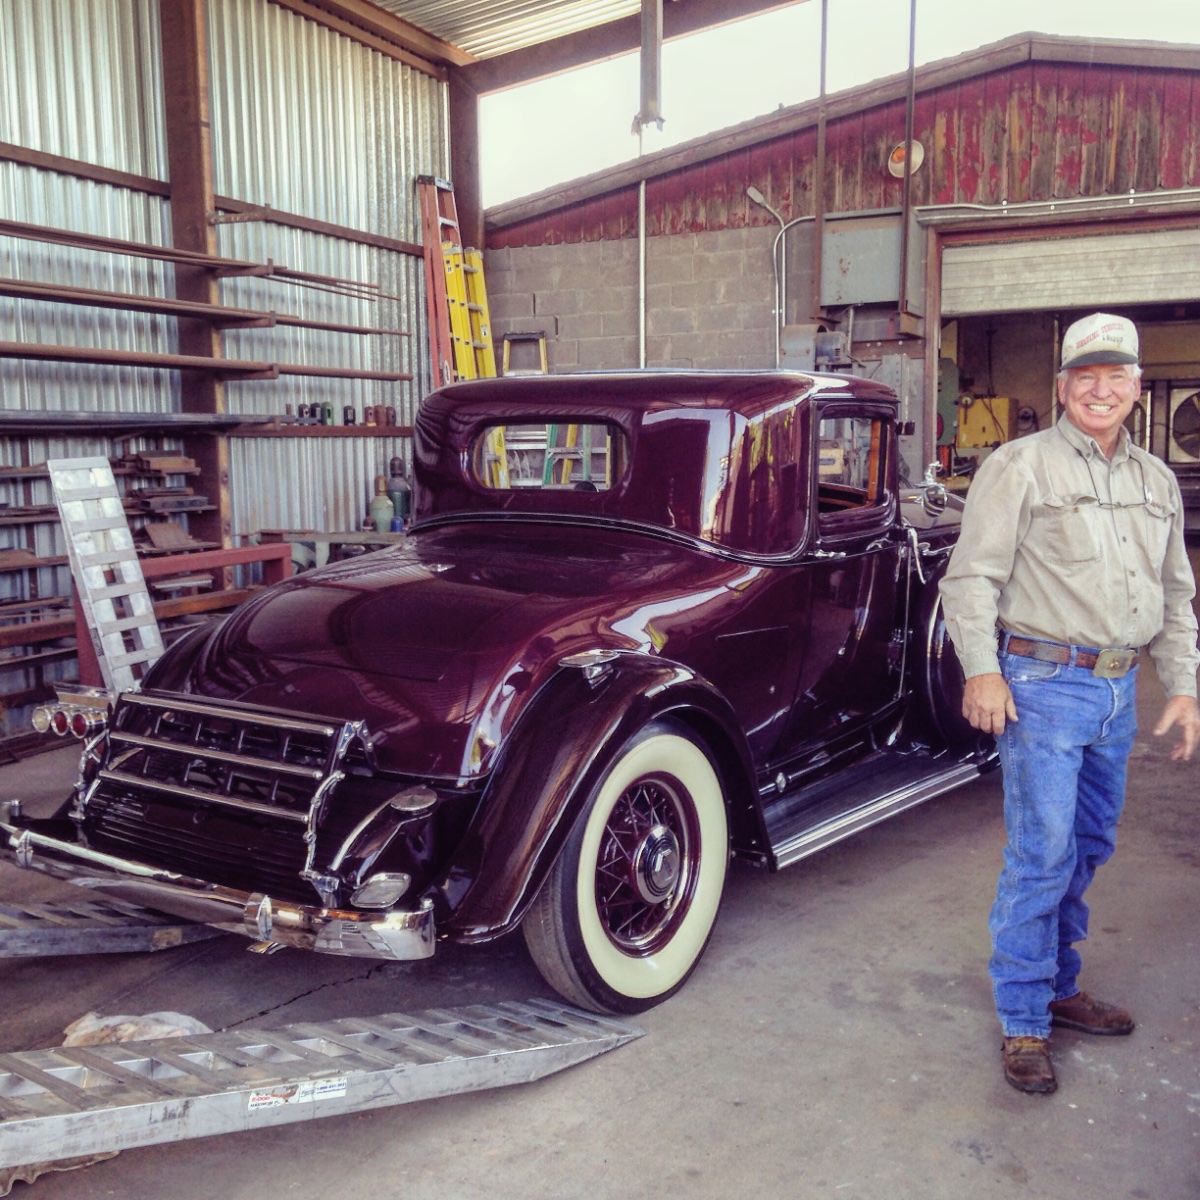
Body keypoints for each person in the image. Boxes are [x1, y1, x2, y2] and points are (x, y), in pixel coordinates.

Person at [939, 312, 1200, 1095]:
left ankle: (1058, 985)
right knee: (1042, 853)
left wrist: (1184, 684)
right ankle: (1024, 1018)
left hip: (1119, 690)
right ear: (1062, 387)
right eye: (1085, 377)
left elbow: (1176, 596)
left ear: (1137, 387)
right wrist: (981, 670)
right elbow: (970, 579)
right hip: (1043, 686)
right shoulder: (1020, 466)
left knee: (1086, 846)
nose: (1100, 390)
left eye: (1116, 376)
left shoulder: (1156, 481)